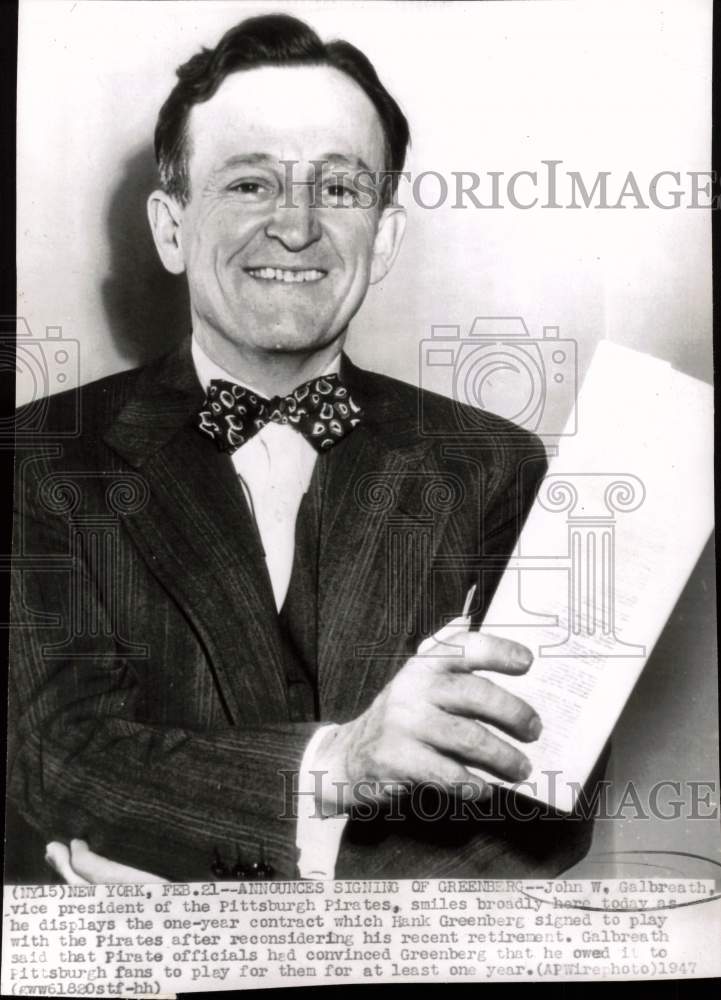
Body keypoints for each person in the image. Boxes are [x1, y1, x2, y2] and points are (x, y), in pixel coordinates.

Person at [8, 13, 598, 883]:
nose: (295, 227)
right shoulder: (36, 460)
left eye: (339, 189)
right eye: (249, 184)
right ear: (171, 228)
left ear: (384, 236)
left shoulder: (495, 467)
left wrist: (270, 917)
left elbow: (547, 807)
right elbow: (55, 757)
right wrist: (338, 766)